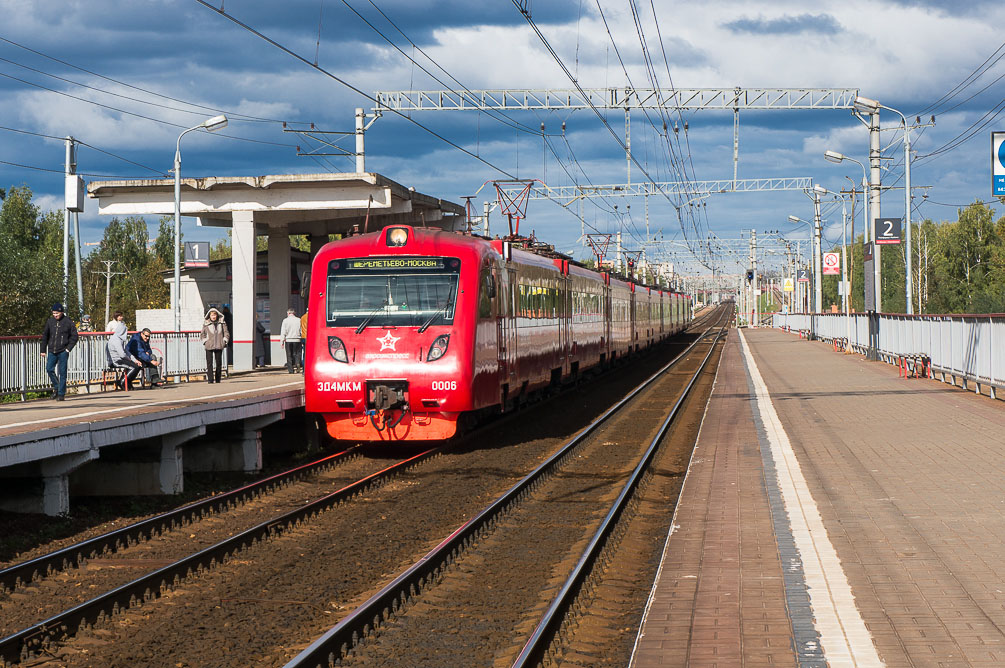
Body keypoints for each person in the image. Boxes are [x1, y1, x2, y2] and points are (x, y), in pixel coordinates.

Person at [40, 302, 78, 401]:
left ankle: (61, 394)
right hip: (52, 350)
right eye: (54, 313)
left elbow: (74, 336)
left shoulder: (68, 322)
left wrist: (68, 349)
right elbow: (45, 336)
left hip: (63, 351)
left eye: (57, 313)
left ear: (61, 312)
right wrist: (43, 350)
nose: (55, 315)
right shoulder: (50, 322)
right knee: (49, 369)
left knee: (62, 372)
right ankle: (57, 387)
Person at [105, 321, 141, 389]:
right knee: (133, 367)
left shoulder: (120, 339)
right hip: (115, 361)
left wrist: (135, 360)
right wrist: (130, 360)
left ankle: (127, 381)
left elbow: (126, 351)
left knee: (137, 366)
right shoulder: (116, 340)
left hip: (120, 359)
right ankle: (122, 382)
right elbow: (122, 354)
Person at [201, 307, 229, 383]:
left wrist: (224, 340)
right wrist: (205, 341)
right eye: (212, 315)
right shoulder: (206, 323)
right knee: (209, 363)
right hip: (209, 346)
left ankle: (218, 379)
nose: (213, 316)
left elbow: (226, 333)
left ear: (217, 315)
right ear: (209, 316)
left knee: (219, 363)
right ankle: (210, 379)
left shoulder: (222, 322)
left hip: (219, 345)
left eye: (214, 315)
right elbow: (202, 334)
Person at [279, 308, 303, 374]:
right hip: (297, 339)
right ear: (294, 313)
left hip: (288, 339)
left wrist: (282, 341)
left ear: (288, 313)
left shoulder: (285, 321)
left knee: (289, 355)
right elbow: (301, 330)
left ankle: (291, 369)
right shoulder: (299, 320)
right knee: (297, 353)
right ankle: (297, 363)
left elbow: (283, 331)